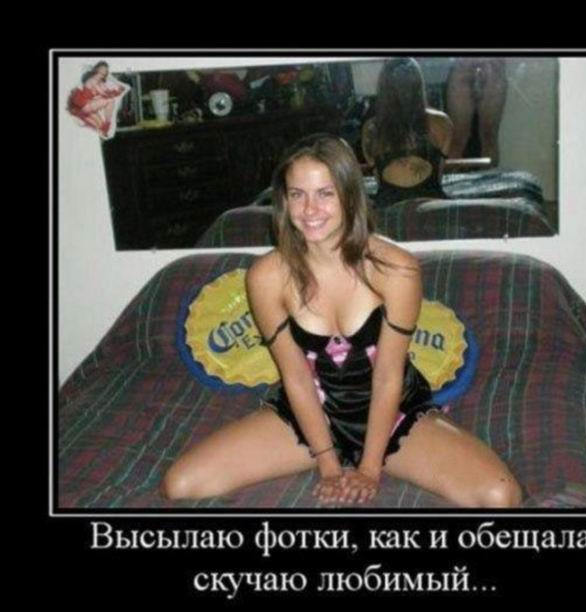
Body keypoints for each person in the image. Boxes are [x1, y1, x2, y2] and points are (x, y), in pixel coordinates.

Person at [161, 133, 522, 508]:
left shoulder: (396, 269)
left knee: (500, 494)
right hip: (310, 414)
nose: (309, 209)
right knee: (181, 484)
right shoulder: (266, 276)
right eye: (297, 194)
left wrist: (369, 469)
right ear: (283, 200)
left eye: (325, 193)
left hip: (392, 413)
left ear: (350, 196)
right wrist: (329, 465)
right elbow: (296, 377)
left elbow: (388, 376)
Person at [361, 58, 453, 209]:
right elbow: (438, 177)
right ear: (419, 85)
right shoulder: (442, 123)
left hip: (388, 210)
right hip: (432, 208)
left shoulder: (371, 130)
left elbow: (378, 180)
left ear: (384, 88)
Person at [445, 58, 507, 166]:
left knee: (489, 136)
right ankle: (452, 176)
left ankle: (490, 176)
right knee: (456, 138)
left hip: (493, 67)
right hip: (463, 65)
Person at [67, 61, 126, 138]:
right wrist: (118, 91)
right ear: (97, 69)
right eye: (102, 70)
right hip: (85, 106)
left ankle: (104, 126)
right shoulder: (93, 80)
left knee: (102, 128)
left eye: (106, 70)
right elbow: (105, 94)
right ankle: (107, 123)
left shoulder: (100, 82)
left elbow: (107, 93)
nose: (104, 72)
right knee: (110, 101)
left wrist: (118, 91)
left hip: (90, 107)